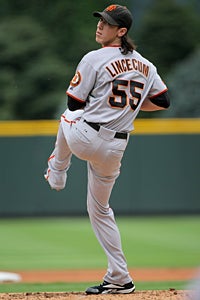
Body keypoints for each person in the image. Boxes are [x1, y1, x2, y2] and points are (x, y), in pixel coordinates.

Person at [44, 4, 170, 294]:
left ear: (121, 31)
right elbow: (163, 101)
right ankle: (119, 277)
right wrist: (131, 109)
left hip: (87, 137)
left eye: (108, 23)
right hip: (115, 147)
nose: (100, 26)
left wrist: (101, 106)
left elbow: (75, 102)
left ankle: (57, 172)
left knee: (67, 116)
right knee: (101, 209)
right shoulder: (146, 65)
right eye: (100, 20)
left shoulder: (94, 58)